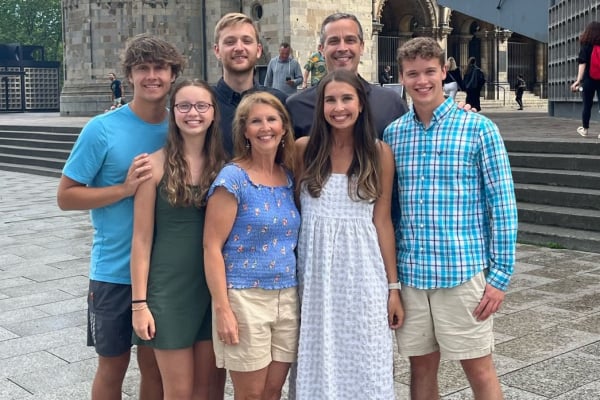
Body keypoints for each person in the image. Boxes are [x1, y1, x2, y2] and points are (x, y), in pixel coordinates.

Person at [384, 37, 518, 400]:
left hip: (461, 271)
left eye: (430, 71)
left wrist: (500, 276)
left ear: (444, 72)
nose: (422, 81)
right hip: (412, 274)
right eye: (413, 73)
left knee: (479, 367)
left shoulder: (479, 129)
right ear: (402, 77)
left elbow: (502, 205)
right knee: (421, 368)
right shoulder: (394, 134)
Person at [57, 33, 186, 400]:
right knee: (112, 367)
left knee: (154, 369)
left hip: (161, 273)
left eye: (160, 68)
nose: (152, 76)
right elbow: (66, 196)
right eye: (142, 68)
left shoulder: (179, 128)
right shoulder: (101, 129)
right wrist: (124, 189)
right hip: (113, 271)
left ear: (173, 74)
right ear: (129, 75)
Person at [293, 69, 403, 399]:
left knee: (366, 362)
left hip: (363, 278)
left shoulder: (379, 153)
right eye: (330, 100)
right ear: (321, 106)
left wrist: (393, 288)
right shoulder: (303, 150)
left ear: (360, 104)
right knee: (317, 361)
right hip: (315, 279)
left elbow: (382, 222)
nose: (338, 107)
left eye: (346, 99)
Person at [130, 79, 227, 399]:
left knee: (207, 390)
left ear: (213, 113)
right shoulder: (152, 166)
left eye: (201, 106)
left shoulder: (226, 168)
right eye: (184, 106)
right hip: (169, 292)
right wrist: (139, 304)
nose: (193, 113)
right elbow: (141, 240)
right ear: (173, 113)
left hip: (213, 290)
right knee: (178, 391)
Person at [203, 92, 300, 400]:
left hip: (287, 297)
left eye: (272, 119)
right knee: (250, 395)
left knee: (272, 392)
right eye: (256, 121)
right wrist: (223, 309)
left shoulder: (288, 176)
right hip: (245, 298)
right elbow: (211, 246)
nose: (265, 127)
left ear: (283, 127)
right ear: (245, 130)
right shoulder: (233, 178)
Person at [286, 13, 409, 138]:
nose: (342, 48)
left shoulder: (391, 104)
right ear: (321, 49)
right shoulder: (296, 106)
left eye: (350, 40)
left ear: (361, 47)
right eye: (334, 41)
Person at [213, 12, 287, 156]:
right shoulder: (204, 104)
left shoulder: (279, 102)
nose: (239, 48)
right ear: (217, 51)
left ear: (258, 50)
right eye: (230, 42)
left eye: (246, 41)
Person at [570, 21, 600, 138]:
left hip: (588, 80)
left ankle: (585, 129)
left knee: (587, 105)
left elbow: (582, 63)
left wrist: (578, 80)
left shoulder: (585, 45)